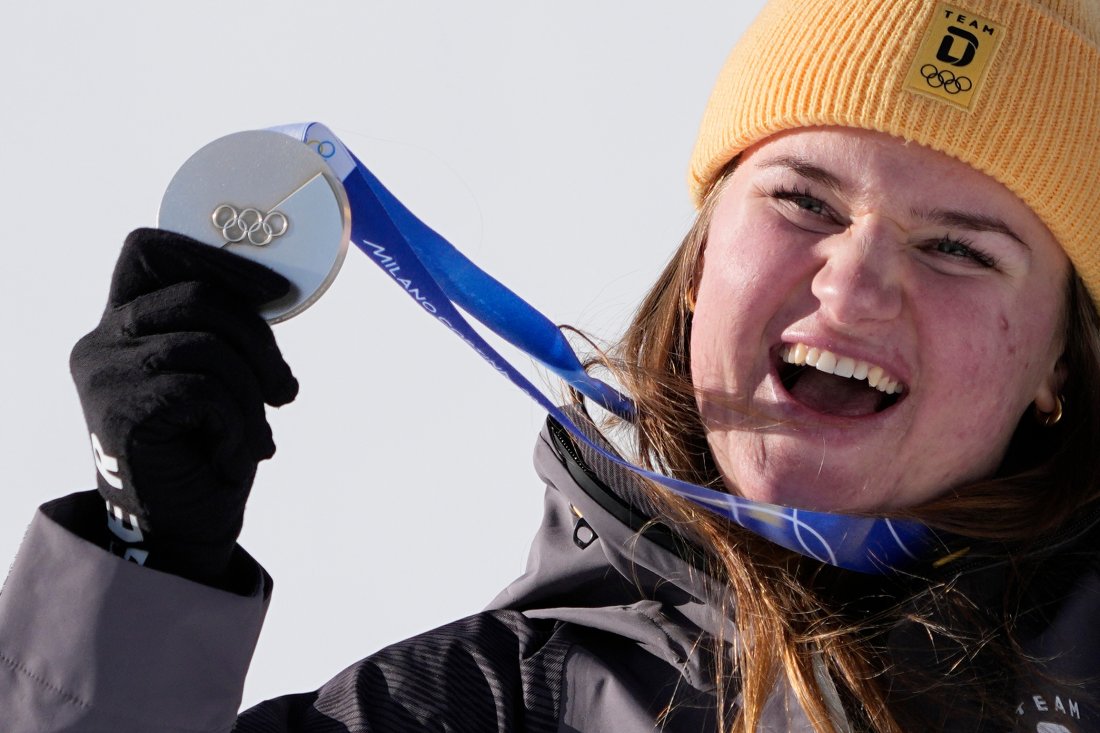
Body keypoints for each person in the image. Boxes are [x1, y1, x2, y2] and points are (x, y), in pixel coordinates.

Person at [2, 0, 1098, 730]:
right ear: (706, 253)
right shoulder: (489, 705)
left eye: (956, 247)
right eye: (802, 199)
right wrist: (143, 571)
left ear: (1059, 358)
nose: (851, 287)